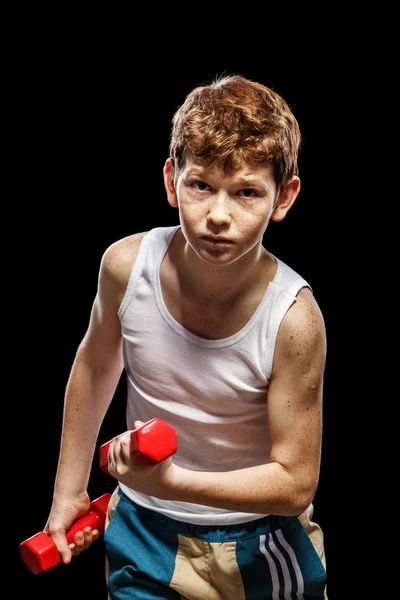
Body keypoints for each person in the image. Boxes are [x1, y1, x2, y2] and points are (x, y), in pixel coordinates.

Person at [44, 73, 328, 599]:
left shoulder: (293, 318)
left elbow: (294, 483)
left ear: (284, 198)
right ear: (173, 180)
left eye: (246, 193)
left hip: (261, 542)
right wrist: (69, 491)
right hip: (143, 530)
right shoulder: (126, 267)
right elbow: (95, 366)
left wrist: (174, 483)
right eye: (201, 186)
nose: (218, 215)